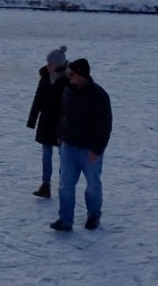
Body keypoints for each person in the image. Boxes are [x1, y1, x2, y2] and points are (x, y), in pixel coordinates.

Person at [51, 58, 112, 233]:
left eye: (72, 74)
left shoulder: (99, 96)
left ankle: (93, 215)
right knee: (65, 184)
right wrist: (60, 134)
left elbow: (105, 126)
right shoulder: (68, 91)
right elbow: (63, 114)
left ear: (82, 75)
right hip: (68, 147)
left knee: (93, 185)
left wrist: (97, 150)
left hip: (89, 150)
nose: (68, 77)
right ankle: (65, 220)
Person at [26, 46, 69, 198]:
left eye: (51, 64)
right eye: (48, 63)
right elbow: (38, 98)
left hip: (62, 124)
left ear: (59, 64)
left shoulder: (69, 79)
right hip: (46, 122)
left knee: (64, 156)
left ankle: (65, 186)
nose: (48, 66)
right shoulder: (45, 76)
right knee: (46, 155)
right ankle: (46, 185)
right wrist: (32, 120)